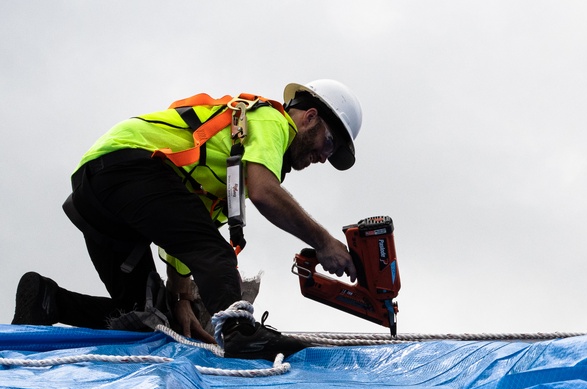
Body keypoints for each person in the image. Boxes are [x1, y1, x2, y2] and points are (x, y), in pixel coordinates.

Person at [11, 79, 362, 359]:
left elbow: (187, 224)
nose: (323, 157)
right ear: (310, 116)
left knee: (144, 318)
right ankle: (240, 333)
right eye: (329, 144)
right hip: (130, 165)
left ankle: (48, 299)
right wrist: (325, 243)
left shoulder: (231, 163)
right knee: (218, 254)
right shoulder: (273, 122)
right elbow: (263, 192)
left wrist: (179, 298)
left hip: (99, 192)